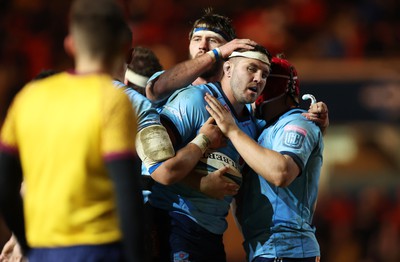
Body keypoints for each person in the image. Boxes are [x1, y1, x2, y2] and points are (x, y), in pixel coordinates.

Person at [0, 0, 145, 261]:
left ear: (71, 44)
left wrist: (26, 241)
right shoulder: (112, 100)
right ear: (124, 47)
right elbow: (126, 191)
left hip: (44, 248)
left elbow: (5, 185)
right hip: (99, 249)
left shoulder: (29, 97)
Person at [147, 45, 272, 261]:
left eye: (264, 74)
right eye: (251, 68)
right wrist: (203, 147)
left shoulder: (252, 125)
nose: (258, 78)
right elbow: (155, 164)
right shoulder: (195, 101)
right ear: (229, 68)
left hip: (212, 233)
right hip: (175, 222)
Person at [205, 55, 324, 262]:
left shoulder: (297, 122)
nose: (257, 81)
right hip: (266, 248)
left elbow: (282, 173)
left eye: (265, 76)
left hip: (286, 248)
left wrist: (232, 131)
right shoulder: (259, 128)